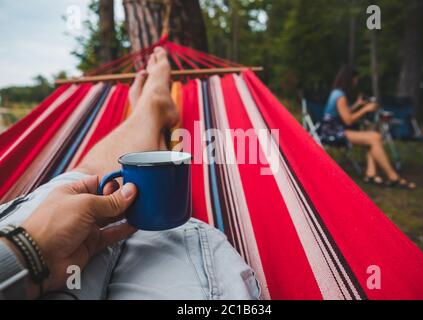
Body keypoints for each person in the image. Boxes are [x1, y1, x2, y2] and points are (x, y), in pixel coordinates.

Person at [0, 48, 260, 300]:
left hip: (35, 248)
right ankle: (152, 108)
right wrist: (31, 250)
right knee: (157, 227)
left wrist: (34, 251)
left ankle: (149, 112)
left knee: (86, 180)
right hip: (157, 234)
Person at [322, 65, 416, 189]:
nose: (356, 82)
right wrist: (365, 109)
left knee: (373, 138)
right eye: (355, 79)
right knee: (374, 137)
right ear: (350, 79)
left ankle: (371, 174)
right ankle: (393, 177)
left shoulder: (337, 93)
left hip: (335, 129)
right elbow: (348, 120)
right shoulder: (340, 95)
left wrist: (357, 105)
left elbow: (344, 112)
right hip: (333, 132)